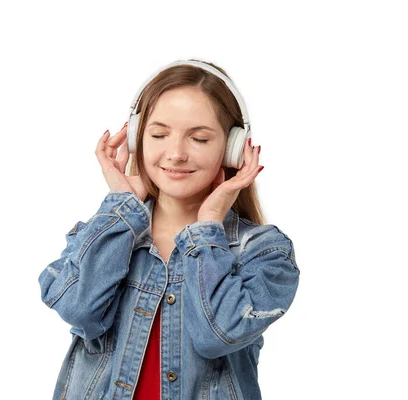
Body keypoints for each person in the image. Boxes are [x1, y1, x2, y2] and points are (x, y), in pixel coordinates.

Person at [38, 59, 300, 400]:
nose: (176, 154)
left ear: (233, 148)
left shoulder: (264, 252)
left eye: (200, 139)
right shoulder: (104, 235)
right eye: (159, 134)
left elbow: (215, 335)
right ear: (136, 138)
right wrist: (120, 208)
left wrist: (208, 227)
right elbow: (80, 311)